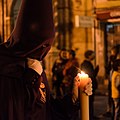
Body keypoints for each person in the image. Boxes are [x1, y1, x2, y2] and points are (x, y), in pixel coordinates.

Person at [0, 0, 92, 120]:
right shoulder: (6, 69)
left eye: (47, 45)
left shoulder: (35, 64)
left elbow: (48, 110)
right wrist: (32, 79)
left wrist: (73, 98)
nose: (43, 51)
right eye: (39, 44)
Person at [81, 50, 99, 120]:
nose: (94, 56)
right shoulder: (86, 64)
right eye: (93, 54)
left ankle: (90, 115)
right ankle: (89, 116)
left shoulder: (88, 63)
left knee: (90, 102)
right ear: (89, 56)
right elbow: (91, 74)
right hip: (88, 85)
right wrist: (96, 71)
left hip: (91, 85)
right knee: (88, 102)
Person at [103, 45, 120, 118]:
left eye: (113, 51)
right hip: (115, 89)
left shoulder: (115, 61)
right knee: (117, 107)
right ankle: (113, 115)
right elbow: (118, 84)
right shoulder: (113, 61)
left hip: (114, 88)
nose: (112, 53)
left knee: (116, 106)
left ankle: (113, 115)